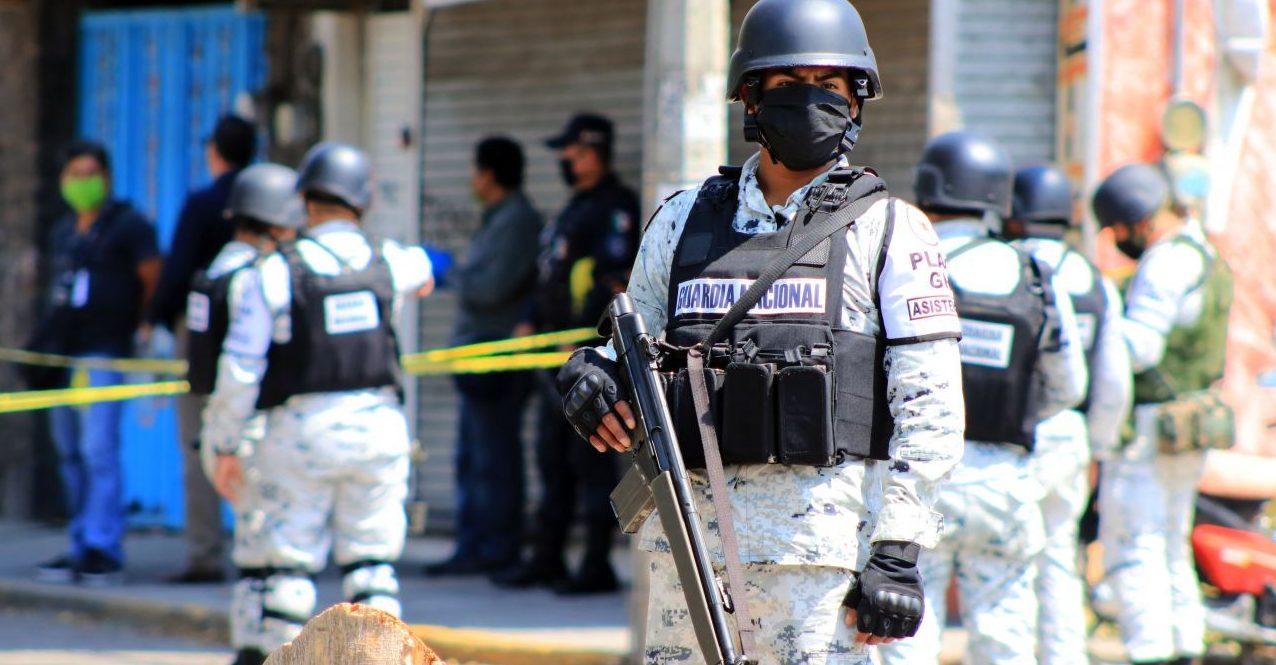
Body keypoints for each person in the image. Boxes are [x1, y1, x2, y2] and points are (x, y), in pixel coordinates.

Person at [556, 1, 967, 660]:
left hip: (825, 567)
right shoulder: (681, 220)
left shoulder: (890, 229)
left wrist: (897, 550)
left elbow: (930, 407)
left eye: (828, 84)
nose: (809, 98)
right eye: (787, 83)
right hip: (691, 562)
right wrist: (592, 376)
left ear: (856, 100)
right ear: (751, 96)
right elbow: (630, 352)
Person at [201, 142, 433, 665]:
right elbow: (426, 270)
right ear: (364, 200)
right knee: (373, 570)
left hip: (299, 437)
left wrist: (224, 443)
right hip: (378, 433)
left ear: (304, 200)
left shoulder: (274, 273)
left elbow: (240, 370)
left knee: (288, 572)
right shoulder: (391, 261)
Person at [878, 133, 1088, 665]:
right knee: (1006, 638)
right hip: (1005, 484)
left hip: (918, 483)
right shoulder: (1036, 276)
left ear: (927, 188)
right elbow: (1068, 387)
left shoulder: (906, 266)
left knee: (906, 635)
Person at [489, 113, 640, 594]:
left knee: (591, 462)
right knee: (551, 461)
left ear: (593, 152)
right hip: (552, 360)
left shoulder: (616, 207)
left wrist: (585, 340)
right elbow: (551, 275)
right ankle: (547, 557)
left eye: (570, 153)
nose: (564, 162)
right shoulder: (573, 208)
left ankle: (596, 564)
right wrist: (530, 319)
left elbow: (615, 282)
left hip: (589, 362)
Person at [1093, 163, 1232, 665]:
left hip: (1151, 428)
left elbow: (1140, 348)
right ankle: (1186, 647)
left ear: (1139, 220)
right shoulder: (1203, 253)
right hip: (1190, 423)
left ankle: (1152, 652)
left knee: (1135, 547)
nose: (1118, 241)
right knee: (1171, 543)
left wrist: (1101, 323)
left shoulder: (1164, 263)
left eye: (1118, 230)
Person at [1002, 165, 1132, 665]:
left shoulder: (1007, 266)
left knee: (1007, 565)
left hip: (1008, 435)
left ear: (1014, 212)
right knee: (1059, 561)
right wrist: (1097, 445)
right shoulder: (1092, 277)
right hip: (1069, 434)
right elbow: (1114, 379)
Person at [35, 141, 162, 586]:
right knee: (69, 452)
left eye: (90, 174)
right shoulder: (64, 231)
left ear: (106, 178)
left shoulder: (129, 225)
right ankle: (79, 543)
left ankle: (103, 546)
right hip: (61, 356)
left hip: (104, 352)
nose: (81, 183)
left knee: (98, 451)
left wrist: (145, 325)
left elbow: (153, 275)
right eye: (74, 174)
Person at [422, 137, 542, 577]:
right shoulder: (498, 218)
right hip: (477, 359)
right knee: (473, 458)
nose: (472, 180)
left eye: (476, 171)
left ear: (489, 175)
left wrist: (449, 271)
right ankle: (473, 546)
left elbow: (490, 287)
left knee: (494, 460)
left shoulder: (516, 221)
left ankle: (497, 548)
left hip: (498, 359)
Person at [151, 114, 258, 584]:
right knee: (257, 439)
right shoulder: (267, 203)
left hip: (201, 340)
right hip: (259, 340)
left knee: (199, 442)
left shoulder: (203, 203)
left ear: (214, 151)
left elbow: (176, 273)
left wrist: (157, 319)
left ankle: (204, 553)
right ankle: (263, 551)